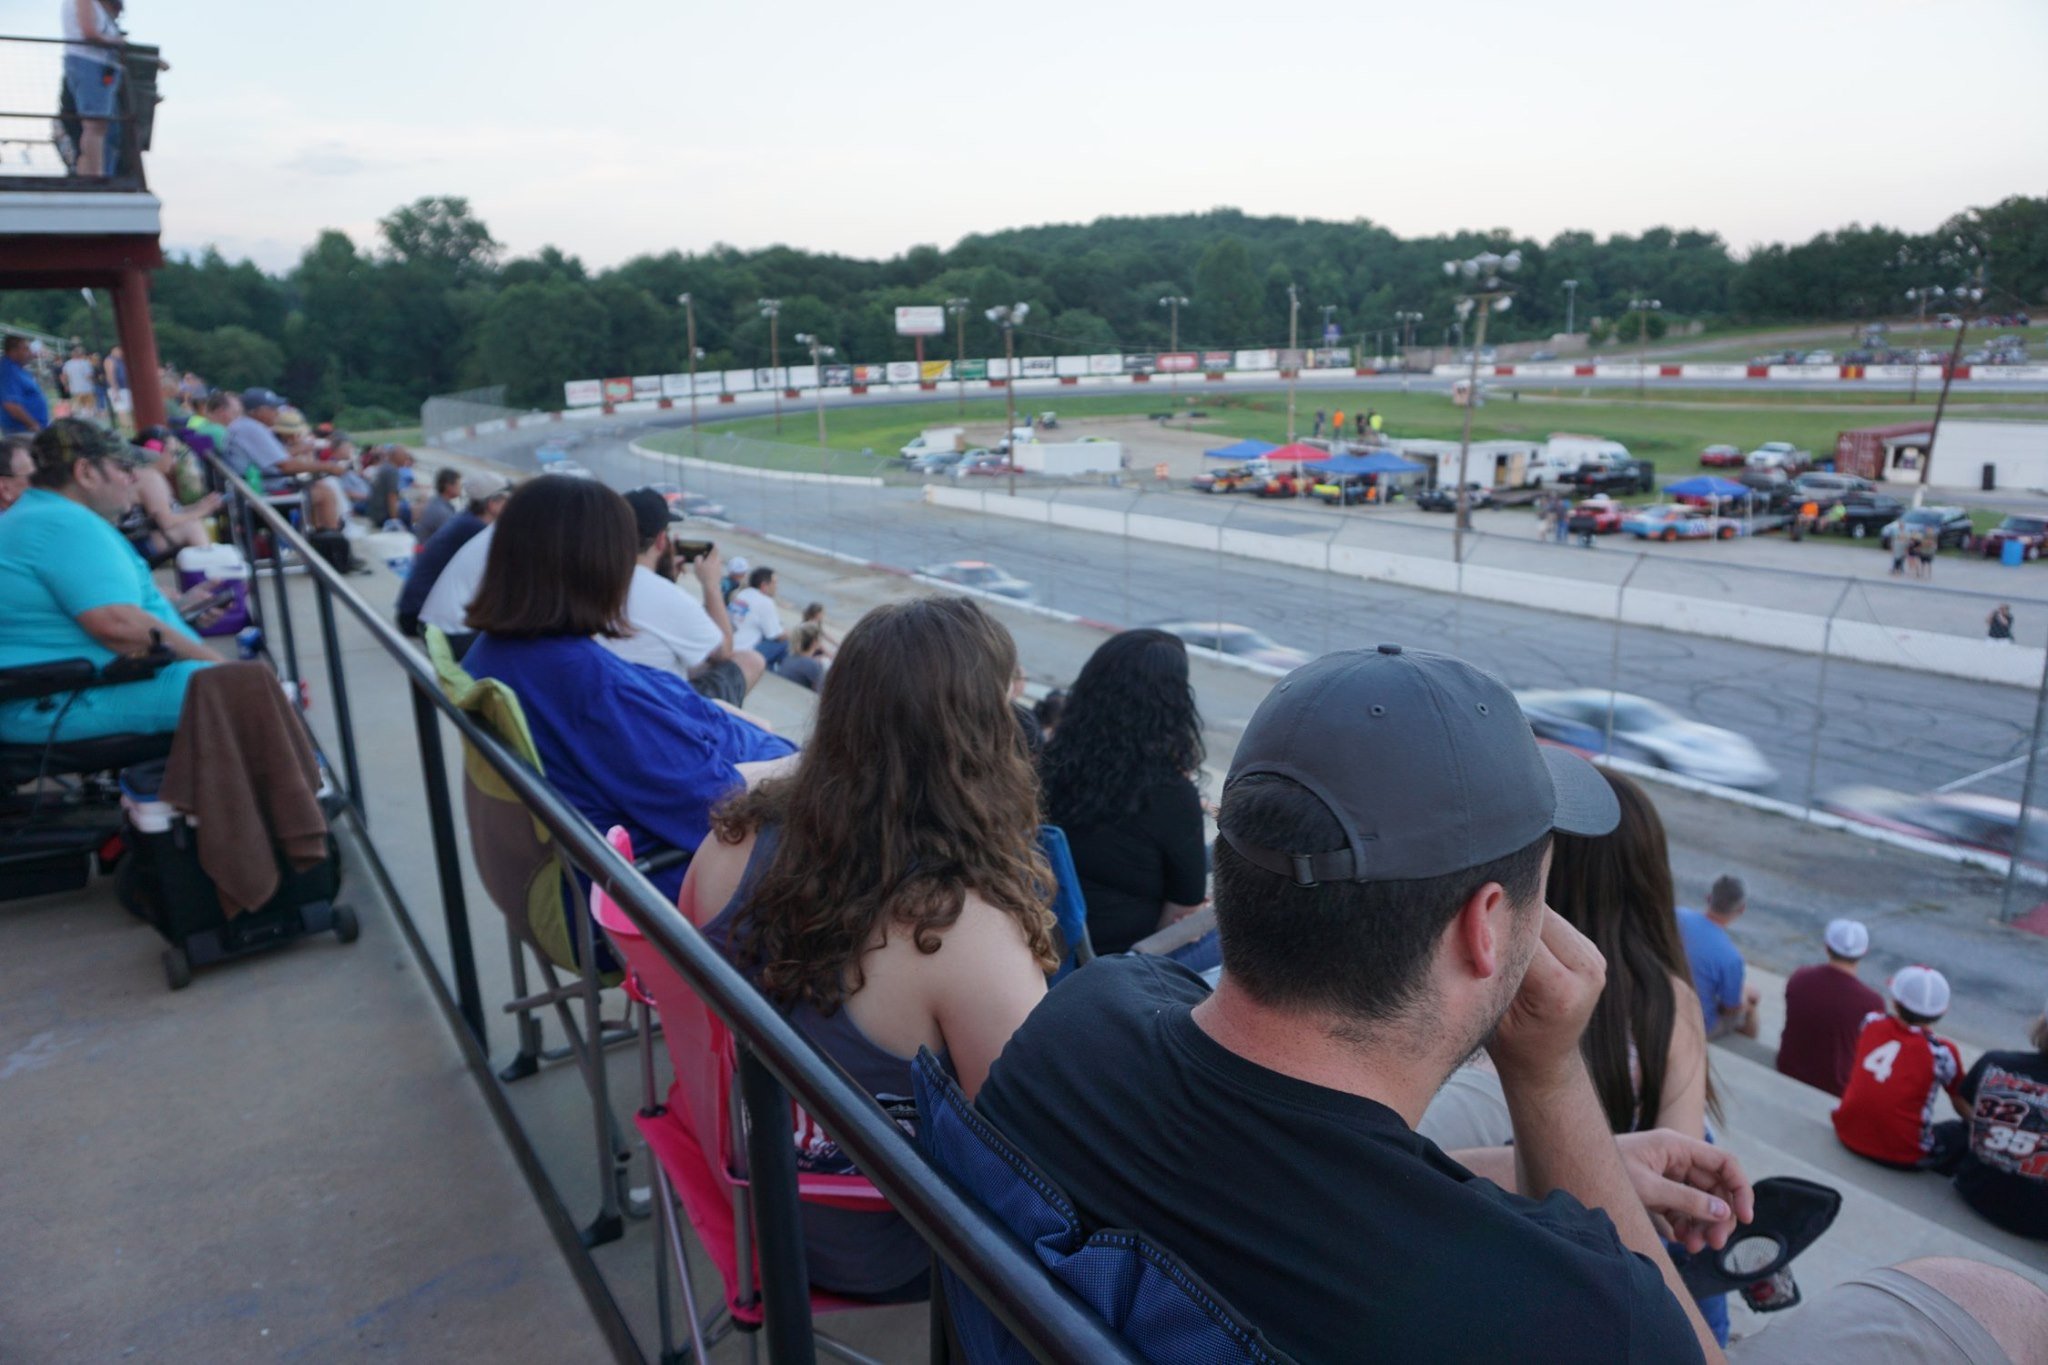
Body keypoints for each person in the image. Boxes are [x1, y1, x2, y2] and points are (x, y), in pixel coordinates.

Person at [977, 645, 2048, 1365]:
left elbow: (1303, 1161)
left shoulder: (1077, 1024)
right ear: (1486, 930)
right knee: (1988, 1299)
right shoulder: (1560, 1315)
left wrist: (1552, 1170)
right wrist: (1545, 1076)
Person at [683, 595, 1057, 1298]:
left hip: (755, 1189)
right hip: (884, 1239)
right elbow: (1031, 1156)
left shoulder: (730, 842)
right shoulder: (964, 927)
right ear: (978, 739)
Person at [460, 475, 794, 903]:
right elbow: (719, 806)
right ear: (598, 566)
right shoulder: (584, 686)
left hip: (605, 864)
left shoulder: (503, 652)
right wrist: (808, 767)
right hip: (663, 895)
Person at [0, 420, 220, 744]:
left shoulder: (40, 516)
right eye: (123, 467)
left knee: (243, 687)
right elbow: (117, 625)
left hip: (53, 693)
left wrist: (178, 610)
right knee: (241, 690)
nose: (133, 478)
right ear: (86, 471)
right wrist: (215, 662)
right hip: (57, 702)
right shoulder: (65, 524)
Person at [1040, 629, 1210, 958]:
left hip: (1041, 944)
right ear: (1173, 707)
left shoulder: (1047, 762)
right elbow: (1182, 908)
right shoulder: (1172, 795)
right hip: (1118, 964)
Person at [599, 487, 761, 704]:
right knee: (750, 660)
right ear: (660, 540)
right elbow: (722, 650)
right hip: (659, 706)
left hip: (617, 691)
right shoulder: (664, 594)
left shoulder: (597, 579)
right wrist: (711, 585)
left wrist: (665, 577)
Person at [1835, 965, 1970, 1173]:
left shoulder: (1870, 1022)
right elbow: (1961, 1103)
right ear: (1942, 1011)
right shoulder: (1941, 1052)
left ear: (1895, 1002)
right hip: (1904, 1155)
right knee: (1960, 1132)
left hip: (1846, 1132)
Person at [1953, 998, 2048, 1240]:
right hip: (2038, 1223)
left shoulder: (1995, 1062)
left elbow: (1961, 1100)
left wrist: (1991, 1127)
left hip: (1974, 1190)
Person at [1777, 918, 1885, 1096]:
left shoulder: (1799, 978)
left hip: (1789, 1068)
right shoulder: (1872, 1002)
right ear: (1864, 952)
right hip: (1836, 1085)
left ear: (1827, 947)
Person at [396, 471, 509, 637]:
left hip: (414, 612)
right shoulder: (475, 530)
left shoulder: (465, 520)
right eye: (509, 501)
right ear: (493, 504)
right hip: (422, 620)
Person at [1678, 875, 1759, 1039]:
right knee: (1751, 998)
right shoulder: (1731, 958)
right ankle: (1748, 1036)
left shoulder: (1676, 915)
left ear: (1709, 898)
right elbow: (1731, 1007)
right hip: (1694, 1026)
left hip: (1656, 1000)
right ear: (1741, 909)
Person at [730, 564, 822, 689]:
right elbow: (776, 635)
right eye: (774, 583)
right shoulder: (765, 601)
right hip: (745, 651)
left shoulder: (743, 594)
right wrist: (794, 632)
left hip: (732, 645)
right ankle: (779, 674)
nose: (776, 587)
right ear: (764, 586)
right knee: (786, 642)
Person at [130, 433, 221, 555]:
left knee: (192, 523)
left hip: (132, 541)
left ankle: (209, 568)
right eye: (173, 453)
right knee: (191, 527)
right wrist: (200, 512)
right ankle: (210, 570)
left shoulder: (150, 474)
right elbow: (166, 522)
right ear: (155, 453)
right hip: (131, 546)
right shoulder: (149, 477)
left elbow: (170, 512)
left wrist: (199, 506)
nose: (175, 460)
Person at [62, 0, 124, 178]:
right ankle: (96, 176)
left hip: (95, 64)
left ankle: (91, 175)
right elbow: (89, 32)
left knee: (98, 126)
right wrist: (116, 41)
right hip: (89, 63)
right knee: (95, 125)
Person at [224, 388, 322, 490]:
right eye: (273, 408)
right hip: (263, 489)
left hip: (259, 484)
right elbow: (286, 466)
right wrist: (329, 467)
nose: (277, 412)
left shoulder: (245, 425)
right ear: (258, 411)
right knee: (323, 490)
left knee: (321, 485)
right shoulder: (251, 428)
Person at [2, 335, 50, 436]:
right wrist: (33, 424)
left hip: (27, 430)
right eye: (26, 349)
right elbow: (11, 404)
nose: (30, 353)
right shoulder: (8, 371)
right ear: (13, 351)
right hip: (22, 431)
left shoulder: (16, 369)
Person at [359, 445, 415, 530]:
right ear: (396, 457)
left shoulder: (386, 467)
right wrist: (395, 521)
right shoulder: (392, 471)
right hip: (383, 516)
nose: (406, 458)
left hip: (375, 512)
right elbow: (391, 497)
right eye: (404, 456)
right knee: (415, 510)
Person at [415, 466, 463, 542]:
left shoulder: (435, 501)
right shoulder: (442, 511)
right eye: (458, 484)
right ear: (448, 486)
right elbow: (451, 539)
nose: (461, 488)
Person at [61, 346, 98, 420]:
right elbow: (89, 376)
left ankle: (75, 417)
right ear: (81, 354)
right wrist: (95, 382)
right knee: (88, 405)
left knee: (77, 404)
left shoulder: (67, 364)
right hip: (87, 388)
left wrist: (66, 385)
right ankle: (88, 418)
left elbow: (64, 376)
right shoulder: (85, 363)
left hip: (74, 388)